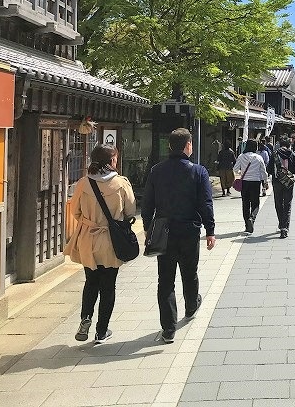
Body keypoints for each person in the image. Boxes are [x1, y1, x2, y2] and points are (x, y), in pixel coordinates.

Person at [142, 128, 216, 343]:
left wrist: (147, 227)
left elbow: (147, 202)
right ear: (188, 146)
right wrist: (210, 230)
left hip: (163, 231)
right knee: (189, 272)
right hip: (189, 230)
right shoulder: (198, 172)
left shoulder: (156, 171)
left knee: (165, 280)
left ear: (169, 146)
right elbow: (205, 203)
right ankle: (191, 306)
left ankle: (168, 329)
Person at [65, 144, 136, 344]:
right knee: (108, 285)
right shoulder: (121, 183)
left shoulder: (83, 183)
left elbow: (75, 211)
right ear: (111, 161)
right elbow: (130, 211)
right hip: (111, 240)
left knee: (91, 281)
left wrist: (89, 221)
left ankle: (85, 318)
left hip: (88, 238)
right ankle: (101, 331)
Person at [268, 137, 295, 238]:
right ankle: (284, 228)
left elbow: (269, 169)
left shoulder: (274, 154)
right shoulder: (291, 154)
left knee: (278, 203)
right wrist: (288, 172)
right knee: (287, 204)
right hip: (288, 182)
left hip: (277, 181)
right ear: (289, 145)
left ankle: (281, 223)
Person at [233, 139, 268, 232]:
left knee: (245, 204)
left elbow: (235, 169)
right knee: (255, 203)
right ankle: (252, 218)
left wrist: (241, 172)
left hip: (245, 182)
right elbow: (263, 171)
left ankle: (247, 225)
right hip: (255, 182)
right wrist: (265, 182)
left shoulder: (241, 156)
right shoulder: (258, 157)